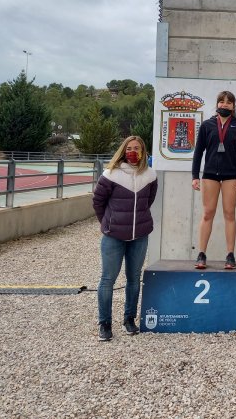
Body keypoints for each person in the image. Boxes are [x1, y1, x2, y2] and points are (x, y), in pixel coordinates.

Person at [93, 135, 158, 341]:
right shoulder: (110, 174)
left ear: (143, 151)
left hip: (139, 236)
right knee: (107, 280)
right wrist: (108, 223)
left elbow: (149, 200)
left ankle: (129, 319)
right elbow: (98, 202)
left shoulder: (150, 175)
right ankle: (105, 324)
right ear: (123, 150)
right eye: (129, 147)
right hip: (113, 237)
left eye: (137, 148)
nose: (133, 151)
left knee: (133, 279)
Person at [191, 91, 236, 270]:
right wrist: (195, 176)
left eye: (228, 102)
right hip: (210, 174)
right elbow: (198, 151)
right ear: (217, 104)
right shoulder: (207, 125)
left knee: (229, 214)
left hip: (231, 175)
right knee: (208, 213)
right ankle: (201, 253)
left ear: (233, 106)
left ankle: (230, 255)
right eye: (221, 102)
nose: (224, 105)